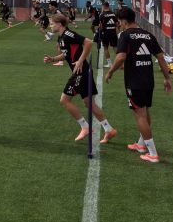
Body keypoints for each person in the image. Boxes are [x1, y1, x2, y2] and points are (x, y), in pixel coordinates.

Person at [105, 7, 171, 163]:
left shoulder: (125, 35)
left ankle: (153, 153)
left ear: (124, 21)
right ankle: (141, 145)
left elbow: (121, 57)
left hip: (135, 81)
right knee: (145, 111)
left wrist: (111, 72)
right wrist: (167, 78)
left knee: (139, 115)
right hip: (148, 80)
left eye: (119, 22)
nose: (118, 25)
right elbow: (161, 58)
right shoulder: (148, 35)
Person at [43, 13, 117, 143]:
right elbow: (66, 55)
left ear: (60, 24)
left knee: (64, 100)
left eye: (52, 23)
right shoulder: (61, 38)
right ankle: (109, 129)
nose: (51, 25)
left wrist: (80, 60)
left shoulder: (68, 34)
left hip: (80, 72)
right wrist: (53, 59)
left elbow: (88, 42)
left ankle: (85, 126)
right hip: (83, 72)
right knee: (88, 103)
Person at [98, 2, 119, 67]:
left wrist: (99, 30)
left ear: (103, 6)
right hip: (113, 32)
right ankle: (120, 62)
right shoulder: (113, 14)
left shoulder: (102, 14)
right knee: (115, 47)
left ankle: (109, 64)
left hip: (105, 33)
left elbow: (101, 25)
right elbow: (117, 24)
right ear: (108, 6)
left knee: (105, 48)